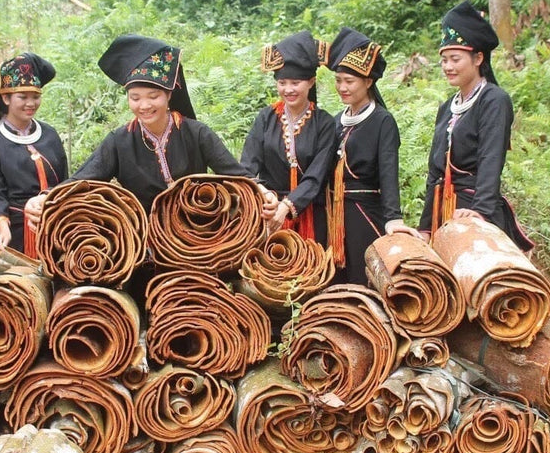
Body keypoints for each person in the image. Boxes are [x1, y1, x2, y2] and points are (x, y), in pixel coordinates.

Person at [25, 34, 277, 223]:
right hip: (144, 240)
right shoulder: (119, 140)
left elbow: (235, 174)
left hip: (199, 236)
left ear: (169, 95)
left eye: (153, 96)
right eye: (135, 98)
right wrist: (46, 197)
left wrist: (263, 192)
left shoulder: (196, 133)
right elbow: (83, 179)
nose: (144, 105)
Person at [418, 1, 534, 252]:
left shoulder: (494, 100)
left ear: (478, 58)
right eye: (444, 60)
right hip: (442, 212)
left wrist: (480, 212)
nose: (448, 67)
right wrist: (425, 227)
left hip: (473, 209)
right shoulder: (447, 107)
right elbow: (435, 174)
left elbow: (491, 158)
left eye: (455, 59)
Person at [325, 27, 420, 285]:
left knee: (362, 279)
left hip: (365, 215)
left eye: (349, 81)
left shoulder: (382, 121)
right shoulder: (336, 121)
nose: (342, 87)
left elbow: (388, 171)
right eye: (338, 80)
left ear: (368, 82)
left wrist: (393, 218)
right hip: (334, 216)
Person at [240, 30, 337, 243]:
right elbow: (247, 166)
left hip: (311, 214)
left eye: (295, 83)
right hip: (268, 211)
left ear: (311, 82)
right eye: (282, 82)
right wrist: (264, 194)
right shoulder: (266, 117)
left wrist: (286, 207)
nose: (288, 89)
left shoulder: (325, 123)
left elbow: (316, 176)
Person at [0, 53, 66, 258]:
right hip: (14, 231)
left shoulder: (50, 134)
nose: (31, 103)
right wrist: (2, 228)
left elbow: (64, 181)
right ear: (6, 98)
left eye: (35, 96)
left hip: (53, 228)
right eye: (23, 97)